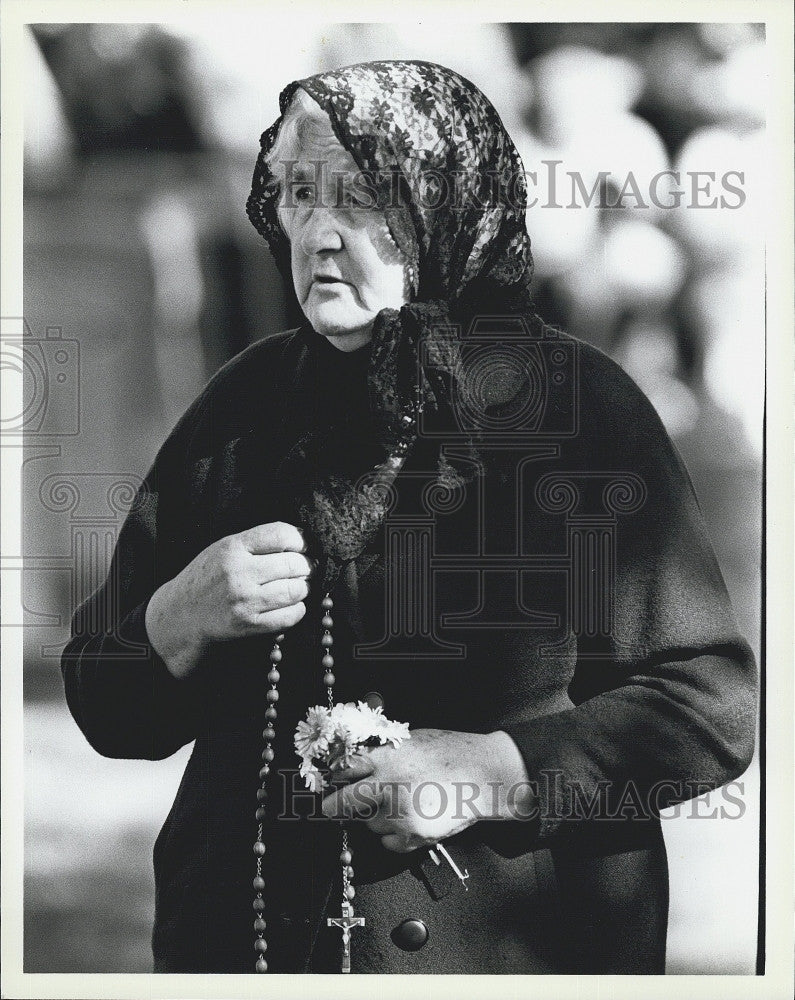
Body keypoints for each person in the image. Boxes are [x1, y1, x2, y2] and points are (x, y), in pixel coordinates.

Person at [61, 60, 756, 975]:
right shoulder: (245, 405)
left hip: (512, 952)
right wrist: (172, 620)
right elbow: (110, 711)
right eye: (298, 195)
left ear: (442, 206)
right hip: (250, 945)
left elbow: (707, 707)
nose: (319, 233)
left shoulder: (574, 405)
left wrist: (490, 771)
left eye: (359, 199)